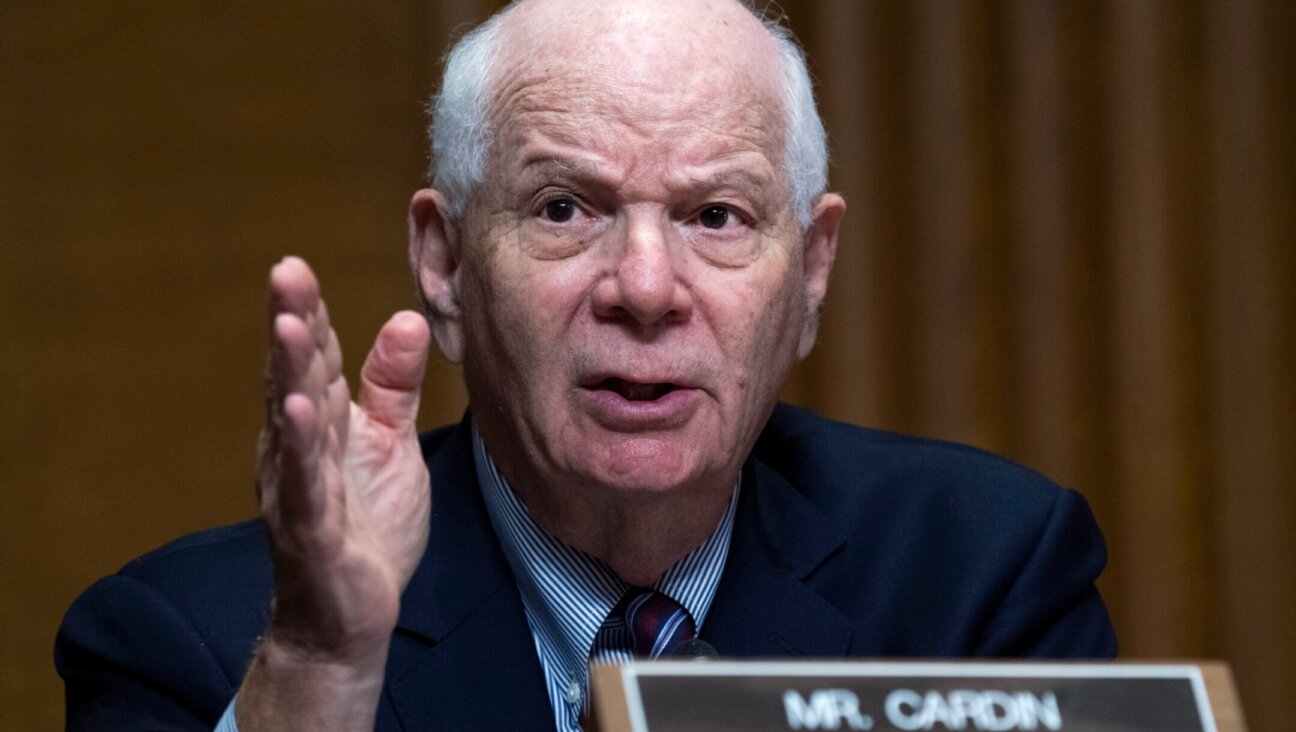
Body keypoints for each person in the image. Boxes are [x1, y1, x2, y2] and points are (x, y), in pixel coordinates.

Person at [56, 0, 1116, 730]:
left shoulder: (980, 585)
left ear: (811, 273)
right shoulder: (187, 646)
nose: (645, 287)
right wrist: (322, 668)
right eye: (565, 208)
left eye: (716, 216)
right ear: (447, 261)